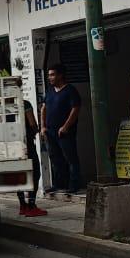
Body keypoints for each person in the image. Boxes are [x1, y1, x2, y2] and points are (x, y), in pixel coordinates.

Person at [41, 63, 82, 193]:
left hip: (64, 132)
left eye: (52, 75)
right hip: (50, 131)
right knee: (55, 158)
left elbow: (75, 109)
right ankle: (60, 184)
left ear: (60, 75)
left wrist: (65, 126)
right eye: (49, 75)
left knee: (70, 158)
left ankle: (74, 185)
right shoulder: (49, 92)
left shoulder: (70, 90)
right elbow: (43, 108)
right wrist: (42, 127)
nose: (50, 78)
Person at [18, 100, 47, 217]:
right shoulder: (24, 104)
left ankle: (22, 206)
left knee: (18, 175)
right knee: (35, 173)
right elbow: (32, 124)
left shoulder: (2, 105)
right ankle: (31, 206)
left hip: (12, 145)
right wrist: (36, 130)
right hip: (27, 144)